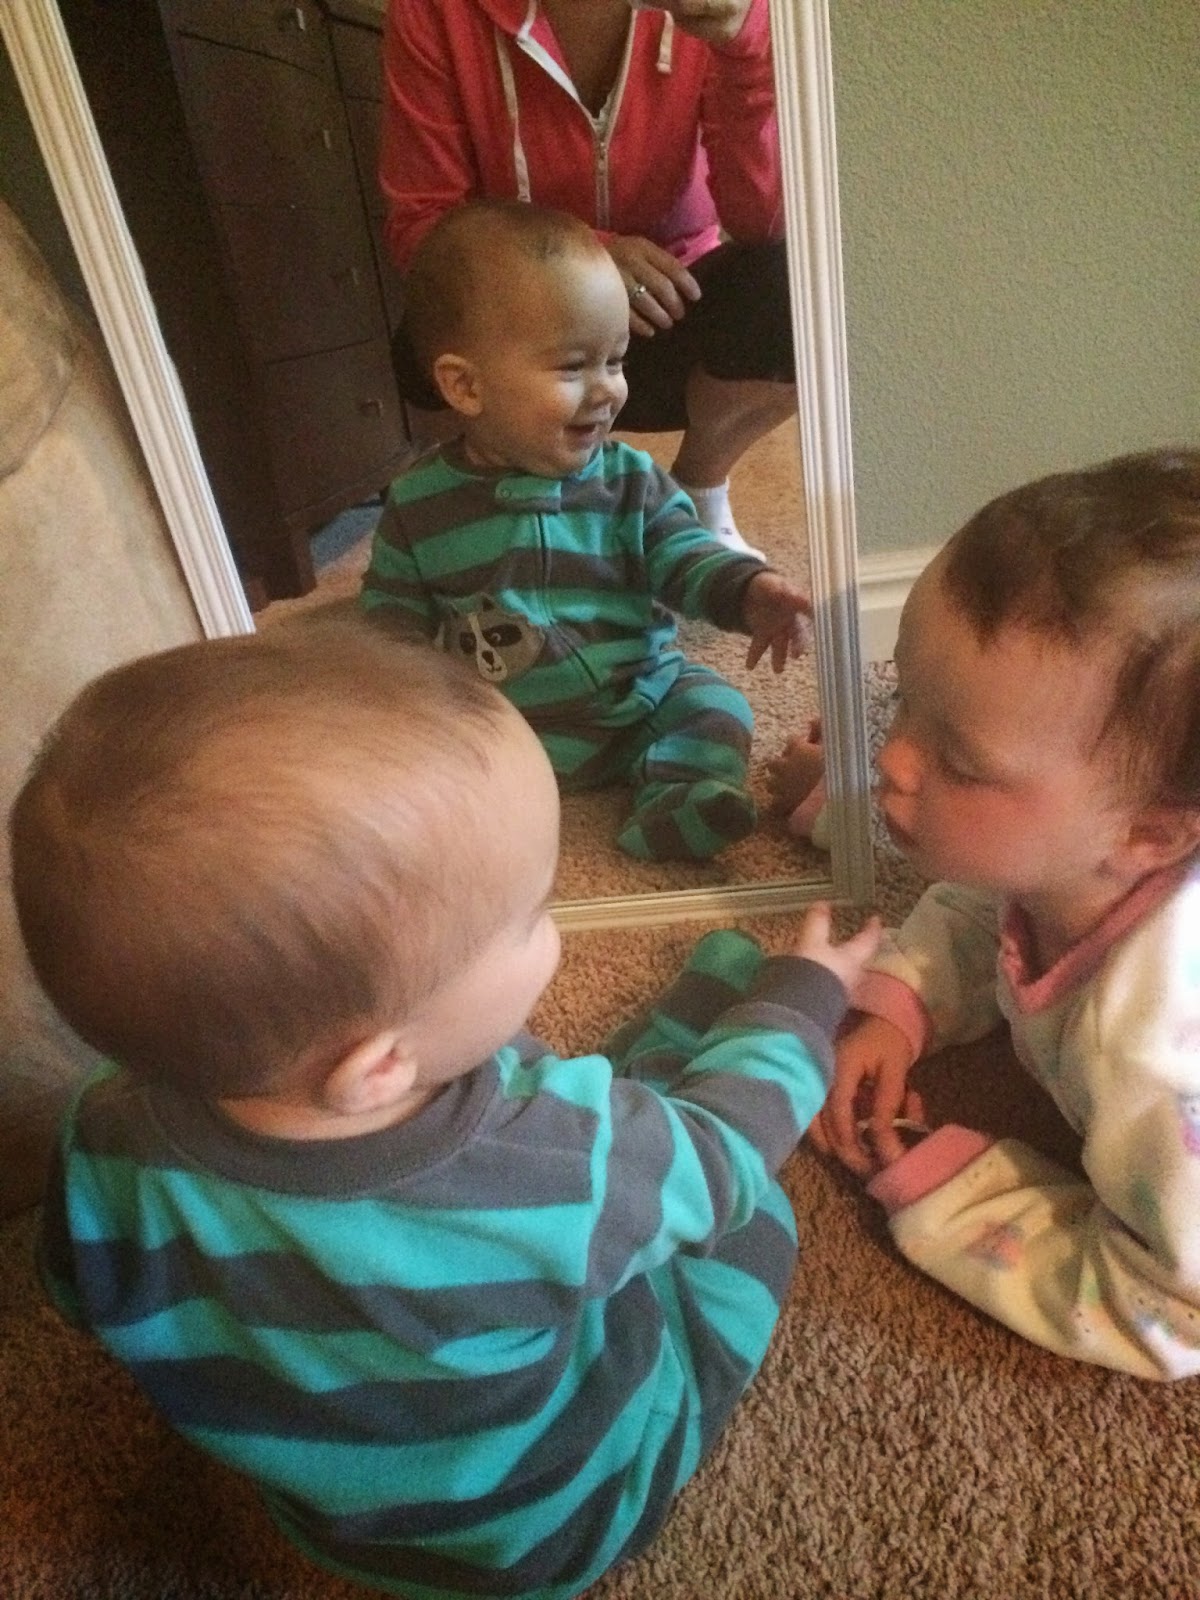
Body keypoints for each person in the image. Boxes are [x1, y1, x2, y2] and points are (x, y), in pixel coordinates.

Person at [12, 619, 881, 1600]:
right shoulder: (536, 1164)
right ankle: (706, 1056)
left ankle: (660, 1081)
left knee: (610, 1160)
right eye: (531, 915)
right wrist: (804, 996)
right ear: (380, 1067)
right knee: (753, 1217)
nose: (554, 925)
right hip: (561, 1521)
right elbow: (724, 1156)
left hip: (338, 1523)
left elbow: (76, 1293)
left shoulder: (98, 1131)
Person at [802, 448, 1200, 1380]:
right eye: (903, 699)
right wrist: (900, 1006)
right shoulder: (1067, 861)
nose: (893, 760)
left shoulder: (1153, 1059)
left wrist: (962, 1192)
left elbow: (1171, 1309)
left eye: (962, 763)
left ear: (1147, 835)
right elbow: (989, 902)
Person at [361, 198, 812, 863]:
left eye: (616, 361)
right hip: (507, 723)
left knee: (717, 706)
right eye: (574, 368)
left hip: (640, 694)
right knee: (423, 766)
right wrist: (400, 705)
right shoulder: (417, 504)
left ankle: (680, 798)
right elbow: (391, 621)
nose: (607, 391)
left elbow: (686, 555)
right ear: (465, 387)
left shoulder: (631, 480)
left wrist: (749, 591)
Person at [379, 0, 797, 556]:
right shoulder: (433, 11)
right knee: (424, 342)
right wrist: (586, 255)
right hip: (524, 299)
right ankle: (517, 501)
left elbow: (761, 224)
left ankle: (698, 489)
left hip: (670, 292)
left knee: (795, 291)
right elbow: (423, 223)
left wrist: (744, 47)